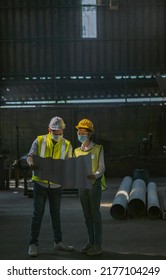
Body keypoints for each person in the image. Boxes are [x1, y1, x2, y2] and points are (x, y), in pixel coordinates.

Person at [27, 116, 74, 257]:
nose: (58, 135)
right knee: (38, 214)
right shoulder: (40, 140)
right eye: (55, 132)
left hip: (56, 186)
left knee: (56, 214)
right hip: (40, 184)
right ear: (49, 130)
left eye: (60, 133)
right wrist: (31, 164)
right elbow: (30, 156)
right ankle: (33, 244)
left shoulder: (67, 144)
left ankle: (58, 242)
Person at [74, 118, 105, 256]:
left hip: (94, 185)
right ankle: (90, 242)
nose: (80, 134)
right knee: (87, 215)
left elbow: (102, 168)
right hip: (82, 186)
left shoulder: (98, 148)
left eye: (83, 132)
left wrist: (95, 175)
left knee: (95, 215)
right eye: (79, 131)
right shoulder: (76, 151)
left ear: (89, 134)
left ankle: (97, 245)